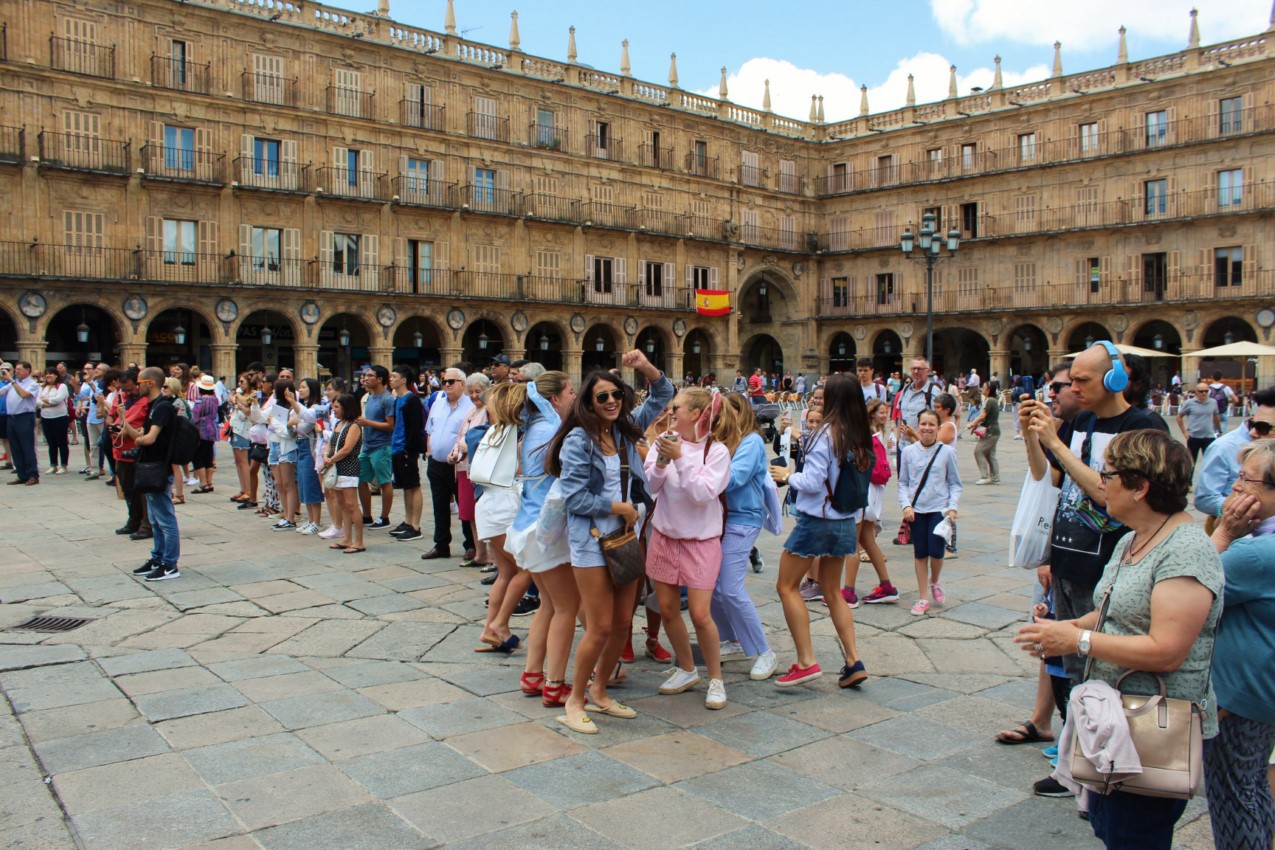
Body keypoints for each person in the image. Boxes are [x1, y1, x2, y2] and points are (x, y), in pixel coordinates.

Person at [1016, 429, 1222, 849]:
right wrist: (1065, 627)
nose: (1099, 481)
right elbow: (1112, 611)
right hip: (1117, 721)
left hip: (1153, 727)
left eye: (1108, 474)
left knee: (1136, 835)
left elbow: (1166, 650)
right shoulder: (1132, 537)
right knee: (1112, 830)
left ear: (1140, 487)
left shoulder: (1185, 551)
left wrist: (1079, 642)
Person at [1021, 342, 1168, 798]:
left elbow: (1104, 492)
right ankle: (1074, 765)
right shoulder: (1083, 421)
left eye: (1082, 380)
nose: (1072, 389)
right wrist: (1033, 435)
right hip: (1068, 557)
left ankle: (1100, 768)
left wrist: (1055, 442)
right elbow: (1053, 479)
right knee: (1072, 669)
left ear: (1115, 380)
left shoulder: (1142, 426)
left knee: (1101, 670)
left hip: (1107, 564)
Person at [547, 350, 672, 734]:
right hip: (592, 542)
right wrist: (620, 507)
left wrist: (643, 366)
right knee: (599, 627)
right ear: (588, 402)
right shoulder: (577, 442)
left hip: (625, 539)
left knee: (622, 625)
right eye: (602, 397)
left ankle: (600, 692)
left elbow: (663, 393)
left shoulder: (624, 429)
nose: (612, 402)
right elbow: (575, 499)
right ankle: (575, 700)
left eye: (616, 394)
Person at [767, 373, 871, 689]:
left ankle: (806, 661)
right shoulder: (858, 434)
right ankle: (853, 661)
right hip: (844, 520)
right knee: (832, 591)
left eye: (825, 395)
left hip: (817, 520)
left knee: (786, 586)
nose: (819, 398)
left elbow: (811, 482)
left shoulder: (825, 434)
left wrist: (787, 476)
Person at [643, 388, 732, 708]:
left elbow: (702, 494)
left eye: (676, 407)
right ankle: (686, 667)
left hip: (701, 541)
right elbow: (651, 486)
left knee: (699, 613)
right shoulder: (663, 441)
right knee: (667, 610)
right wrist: (662, 462)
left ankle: (716, 679)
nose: (670, 412)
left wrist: (680, 460)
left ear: (696, 414)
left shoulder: (717, 452)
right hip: (666, 535)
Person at [1206, 440, 1275, 850]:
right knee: (1251, 789)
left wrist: (1226, 532)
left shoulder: (1258, 553)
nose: (1234, 489)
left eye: (1245, 480)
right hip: (1259, 692)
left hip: (1239, 695)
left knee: (1233, 798)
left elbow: (1192, 584)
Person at [504, 371, 578, 708]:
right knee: (566, 607)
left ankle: (533, 674)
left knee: (549, 605)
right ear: (555, 399)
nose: (575, 397)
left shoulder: (535, 427)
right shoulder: (552, 430)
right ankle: (555, 683)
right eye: (571, 391)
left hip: (527, 527)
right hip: (544, 531)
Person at [711, 393, 779, 679]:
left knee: (731, 588)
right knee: (711, 588)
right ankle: (732, 639)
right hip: (720, 519)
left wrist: (699, 472)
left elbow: (735, 477)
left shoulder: (750, 442)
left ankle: (765, 652)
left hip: (742, 519)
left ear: (742, 413)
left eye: (730, 411)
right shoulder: (723, 440)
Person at [472, 382, 533, 653]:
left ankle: (489, 630)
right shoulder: (515, 432)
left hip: (488, 504)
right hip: (503, 507)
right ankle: (500, 625)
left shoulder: (492, 431)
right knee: (527, 568)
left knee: (506, 572)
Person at [898, 409, 961, 615]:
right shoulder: (908, 452)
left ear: (938, 427)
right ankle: (923, 597)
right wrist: (906, 505)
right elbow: (903, 483)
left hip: (939, 508)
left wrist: (952, 507)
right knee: (920, 553)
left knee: (936, 551)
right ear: (918, 426)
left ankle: (935, 580)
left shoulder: (947, 452)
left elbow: (954, 483)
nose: (926, 428)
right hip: (916, 509)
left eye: (931, 424)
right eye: (923, 424)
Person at [122, 367, 182, 581]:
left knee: (165, 518)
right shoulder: (154, 406)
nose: (137, 386)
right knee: (156, 519)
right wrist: (125, 422)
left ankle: (170, 564)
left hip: (157, 467)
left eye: (140, 382)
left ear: (150, 383)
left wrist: (137, 440)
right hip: (149, 466)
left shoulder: (163, 407)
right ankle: (158, 557)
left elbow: (149, 438)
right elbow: (142, 434)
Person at [1194, 386, 1275, 532]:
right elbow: (1204, 499)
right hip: (1231, 531)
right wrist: (1233, 511)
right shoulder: (1223, 448)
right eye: (1253, 424)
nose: (1253, 432)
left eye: (1262, 427)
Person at [848, 398, 899, 606]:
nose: (885, 415)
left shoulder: (866, 435)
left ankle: (848, 592)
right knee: (868, 541)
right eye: (881, 412)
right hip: (874, 492)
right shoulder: (875, 435)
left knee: (853, 544)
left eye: (886, 412)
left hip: (864, 492)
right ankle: (887, 586)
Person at [422, 367, 476, 560]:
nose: (446, 384)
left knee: (464, 504)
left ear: (462, 384)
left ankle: (471, 544)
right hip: (437, 463)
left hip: (458, 464)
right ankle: (441, 544)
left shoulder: (470, 406)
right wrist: (430, 452)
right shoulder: (438, 403)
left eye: (451, 381)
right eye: (444, 381)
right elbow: (430, 429)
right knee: (439, 504)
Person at [448, 374, 490, 566]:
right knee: (469, 513)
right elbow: (461, 436)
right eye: (471, 392)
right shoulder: (472, 411)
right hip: (464, 467)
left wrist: (466, 448)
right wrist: (454, 452)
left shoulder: (489, 411)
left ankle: (490, 556)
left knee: (480, 512)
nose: (474, 396)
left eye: (478, 392)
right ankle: (479, 553)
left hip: (478, 467)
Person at [322, 393, 365, 554]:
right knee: (342, 504)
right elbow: (330, 444)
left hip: (348, 468)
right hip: (337, 467)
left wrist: (331, 459)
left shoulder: (353, 426)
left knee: (351, 504)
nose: (334, 410)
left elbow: (347, 449)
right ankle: (347, 537)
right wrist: (326, 455)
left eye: (337, 407)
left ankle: (359, 540)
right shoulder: (339, 424)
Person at [387, 365, 426, 542]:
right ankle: (407, 520)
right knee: (406, 487)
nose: (391, 379)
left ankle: (416, 525)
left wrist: (409, 450)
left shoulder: (413, 400)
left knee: (414, 485)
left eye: (394, 376)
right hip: (396, 447)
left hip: (406, 449)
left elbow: (415, 428)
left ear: (403, 380)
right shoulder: (398, 400)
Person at [355, 365, 395, 530]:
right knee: (361, 480)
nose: (366, 378)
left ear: (380, 379)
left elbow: (390, 425)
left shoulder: (387, 399)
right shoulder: (369, 397)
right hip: (367, 446)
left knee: (384, 481)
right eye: (366, 375)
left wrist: (367, 423)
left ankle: (384, 517)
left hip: (382, 446)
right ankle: (367, 515)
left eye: (370, 375)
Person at [290, 378, 326, 535]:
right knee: (304, 484)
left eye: (304, 387)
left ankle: (316, 521)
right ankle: (311, 520)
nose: (301, 389)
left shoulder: (317, 407)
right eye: (300, 387)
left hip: (310, 448)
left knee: (311, 484)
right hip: (300, 446)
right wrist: (295, 422)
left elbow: (304, 427)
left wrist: (295, 421)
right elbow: (290, 426)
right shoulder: (303, 408)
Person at [189, 374, 220, 494]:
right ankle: (209, 482)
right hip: (212, 428)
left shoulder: (200, 400)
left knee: (197, 456)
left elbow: (195, 417)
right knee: (208, 455)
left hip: (201, 430)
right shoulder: (214, 399)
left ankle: (203, 483)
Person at [966, 381, 1002, 484]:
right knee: (990, 455)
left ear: (988, 390)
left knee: (979, 451)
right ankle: (995, 478)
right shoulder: (992, 400)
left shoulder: (989, 401)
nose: (982, 389)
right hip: (994, 430)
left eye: (983, 387)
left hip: (990, 432)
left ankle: (985, 476)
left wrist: (972, 424)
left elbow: (982, 416)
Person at [37, 368, 71, 475]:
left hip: (60, 417)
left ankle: (64, 465)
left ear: (56, 375)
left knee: (62, 442)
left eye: (50, 374)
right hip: (46, 417)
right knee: (51, 443)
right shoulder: (42, 387)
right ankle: (53, 465)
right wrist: (45, 403)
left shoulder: (62, 386)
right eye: (46, 374)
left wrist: (47, 400)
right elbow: (36, 400)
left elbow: (59, 399)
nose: (48, 376)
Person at [1177, 382, 1221, 464]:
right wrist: (1184, 432)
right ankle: (1188, 477)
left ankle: (1207, 477)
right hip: (1193, 437)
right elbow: (1179, 417)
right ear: (1196, 392)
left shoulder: (1213, 402)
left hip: (1209, 437)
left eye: (1206, 391)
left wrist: (1220, 431)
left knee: (1210, 463)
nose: (1204, 393)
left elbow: (1216, 416)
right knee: (1191, 463)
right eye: (1201, 391)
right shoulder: (1189, 403)